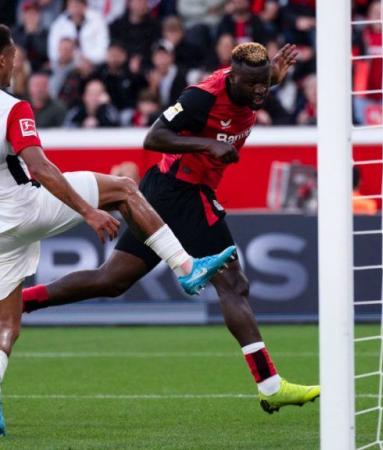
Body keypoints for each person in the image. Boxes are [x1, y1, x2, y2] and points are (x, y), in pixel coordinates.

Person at [22, 42, 320, 414]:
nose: (260, 92)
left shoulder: (255, 83)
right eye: (253, 86)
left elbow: (263, 81)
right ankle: (271, 385)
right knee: (233, 284)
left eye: (265, 84)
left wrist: (272, 76)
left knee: (112, 279)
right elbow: (154, 137)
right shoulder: (201, 98)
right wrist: (206, 145)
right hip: (181, 189)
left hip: (169, 191)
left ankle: (18, 303)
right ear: (233, 77)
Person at [0, 25, 237, 435]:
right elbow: (39, 167)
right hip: (21, 208)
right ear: (2, 58)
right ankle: (186, 267)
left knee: (6, 326)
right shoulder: (11, 107)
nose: (16, 64)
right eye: (14, 58)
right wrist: (88, 212)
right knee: (125, 189)